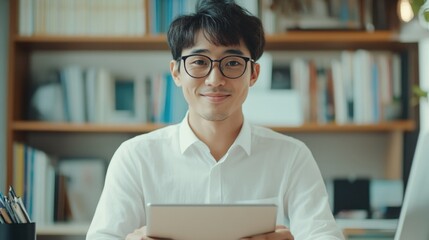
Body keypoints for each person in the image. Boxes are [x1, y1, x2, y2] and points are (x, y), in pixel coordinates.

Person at [86, 0, 344, 239]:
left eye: (232, 63)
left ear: (253, 74)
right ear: (176, 73)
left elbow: (323, 234)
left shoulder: (291, 156)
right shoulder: (135, 157)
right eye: (199, 61)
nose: (214, 79)